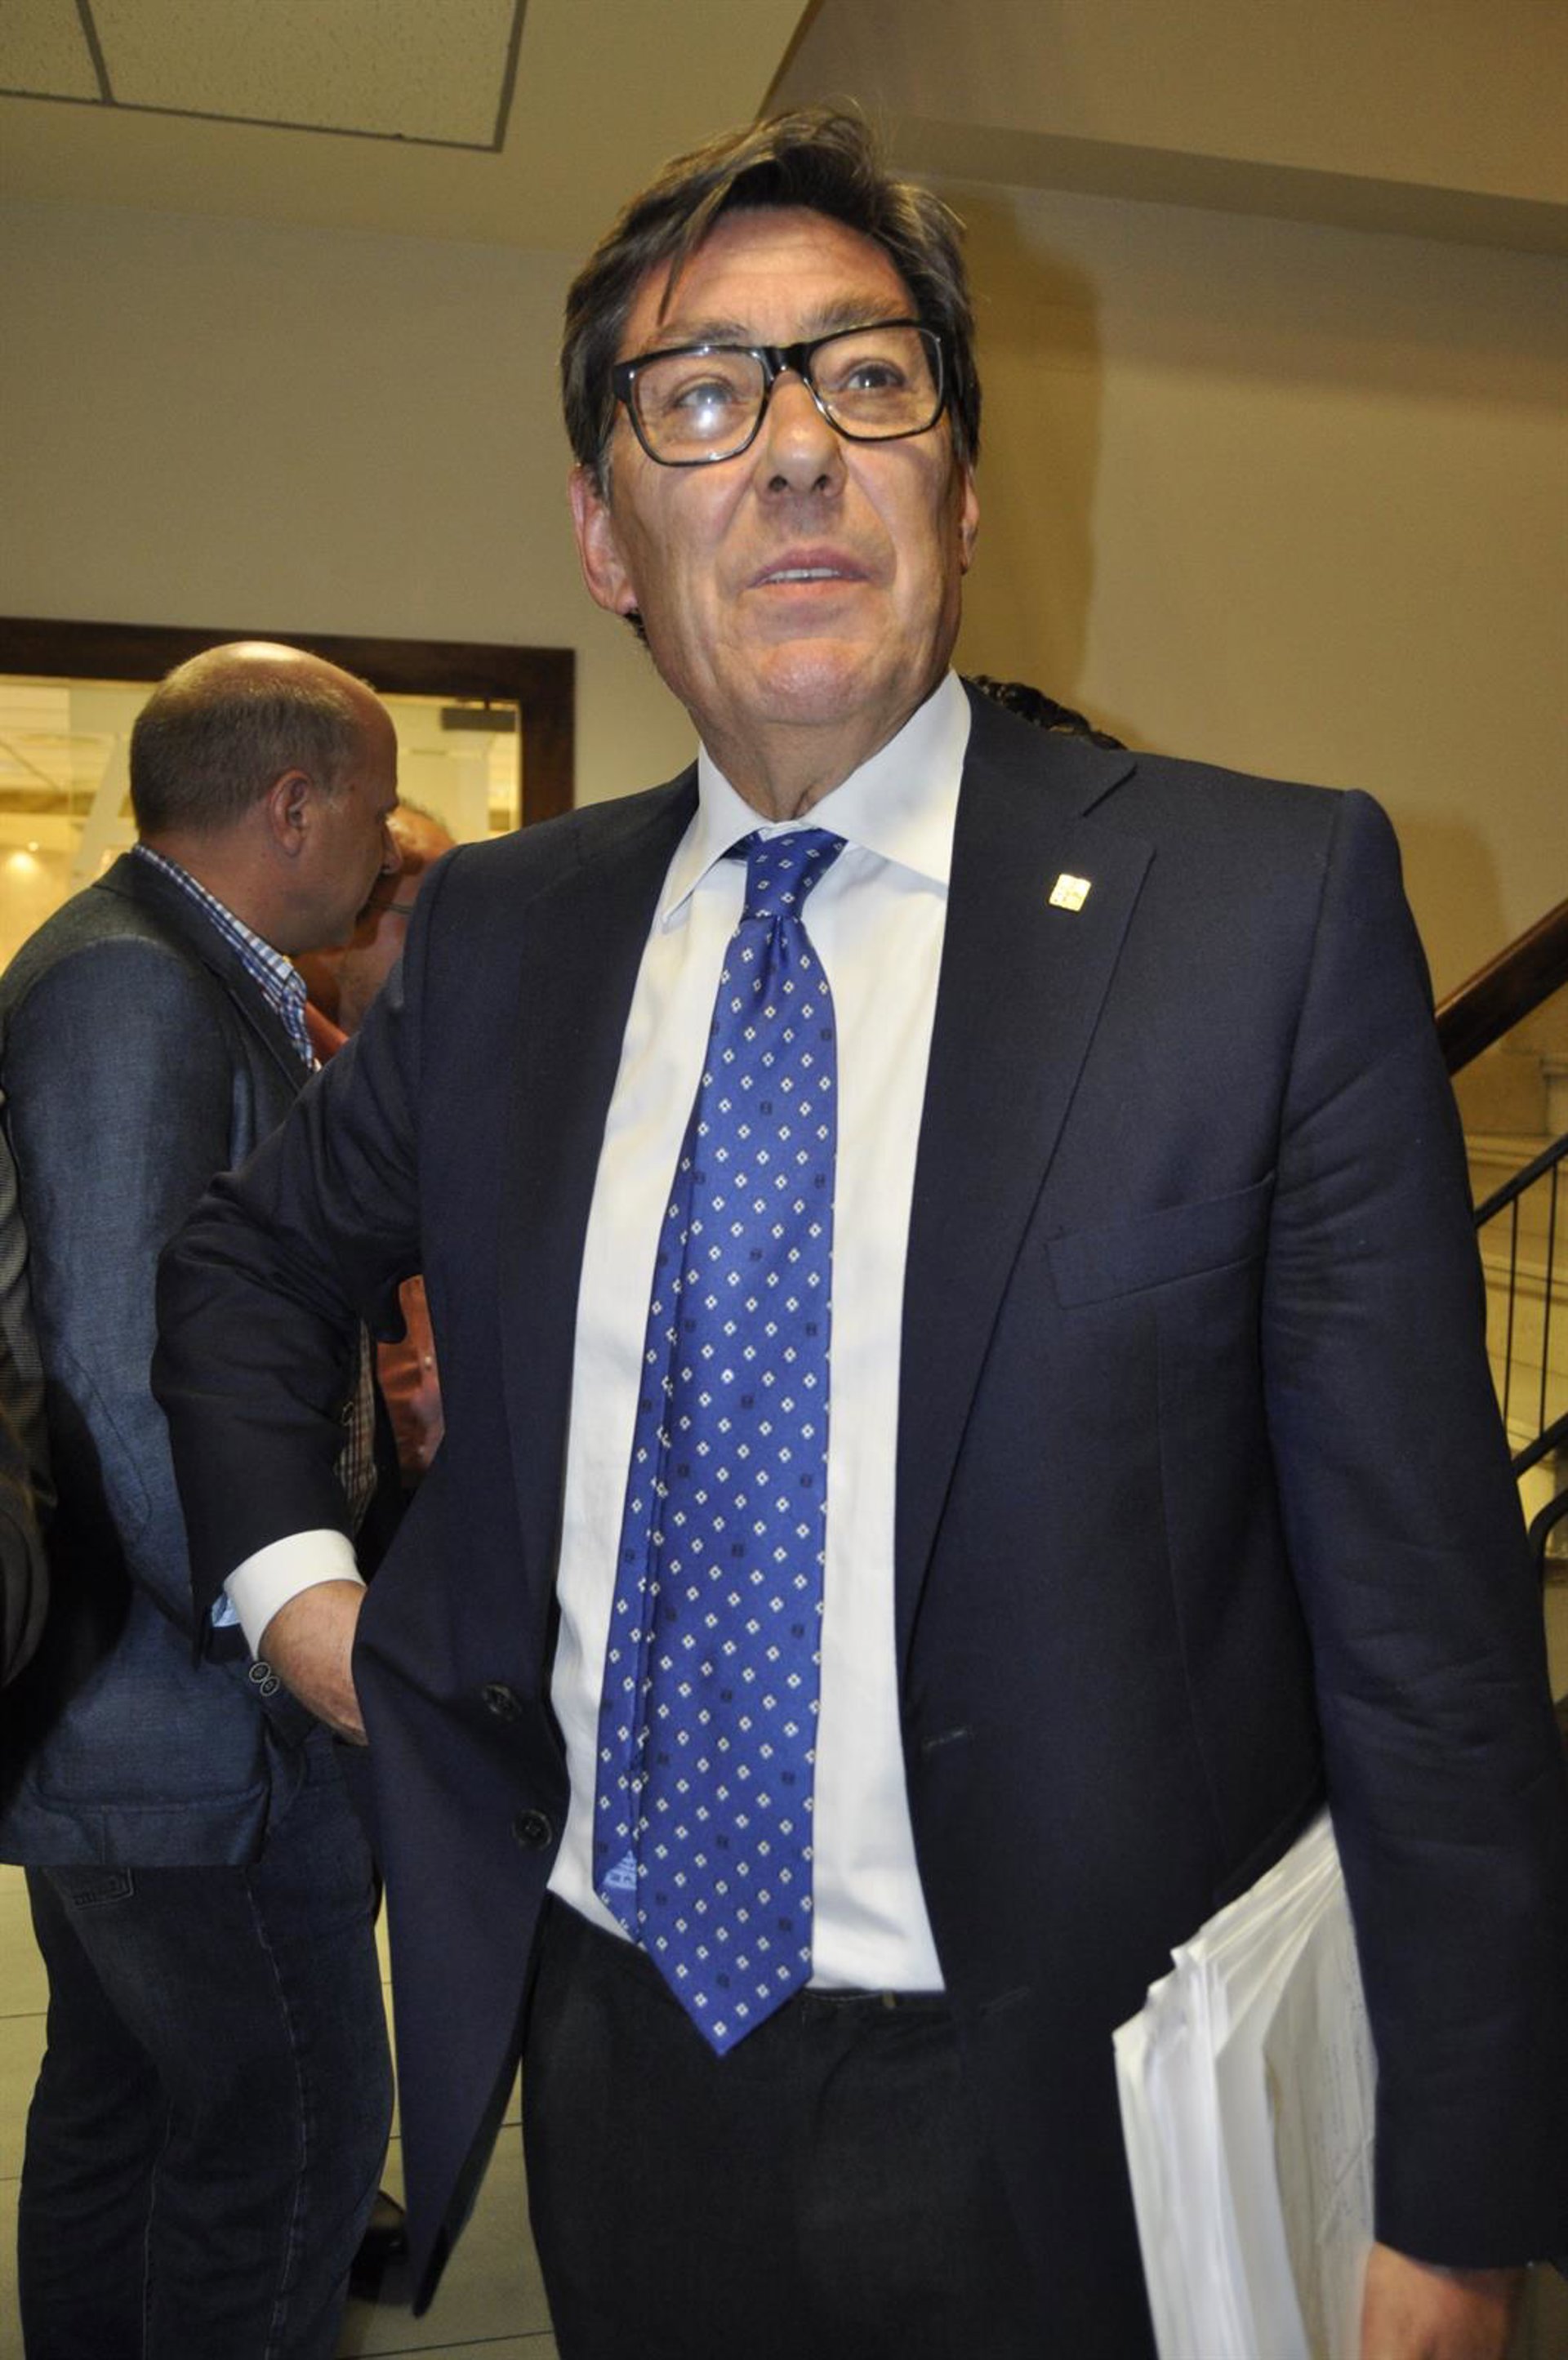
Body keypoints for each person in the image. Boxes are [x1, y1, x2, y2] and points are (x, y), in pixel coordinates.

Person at [154, 113, 1568, 2360]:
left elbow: (1432, 1634)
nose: (798, 447)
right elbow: (244, 1267)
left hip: (1084, 2112)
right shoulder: (505, 936)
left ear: (962, 492)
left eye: (870, 378)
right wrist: (302, 1598)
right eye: (704, 396)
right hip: (616, 2049)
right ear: (607, 536)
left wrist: (1459, 2209)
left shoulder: (1256, 913)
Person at [0, 641, 400, 2358]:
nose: (387, 845)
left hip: (139, 1702)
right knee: (291, 2130)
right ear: (293, 805)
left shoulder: (177, 967)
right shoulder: (131, 985)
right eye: (377, 809)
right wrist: (274, 1635)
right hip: (183, 1711)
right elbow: (117, 1366)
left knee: (127, 2103)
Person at [296, 801, 454, 1485]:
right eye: (433, 920)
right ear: (343, 928)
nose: (455, 948)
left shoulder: (445, 1076)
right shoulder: (284, 1084)